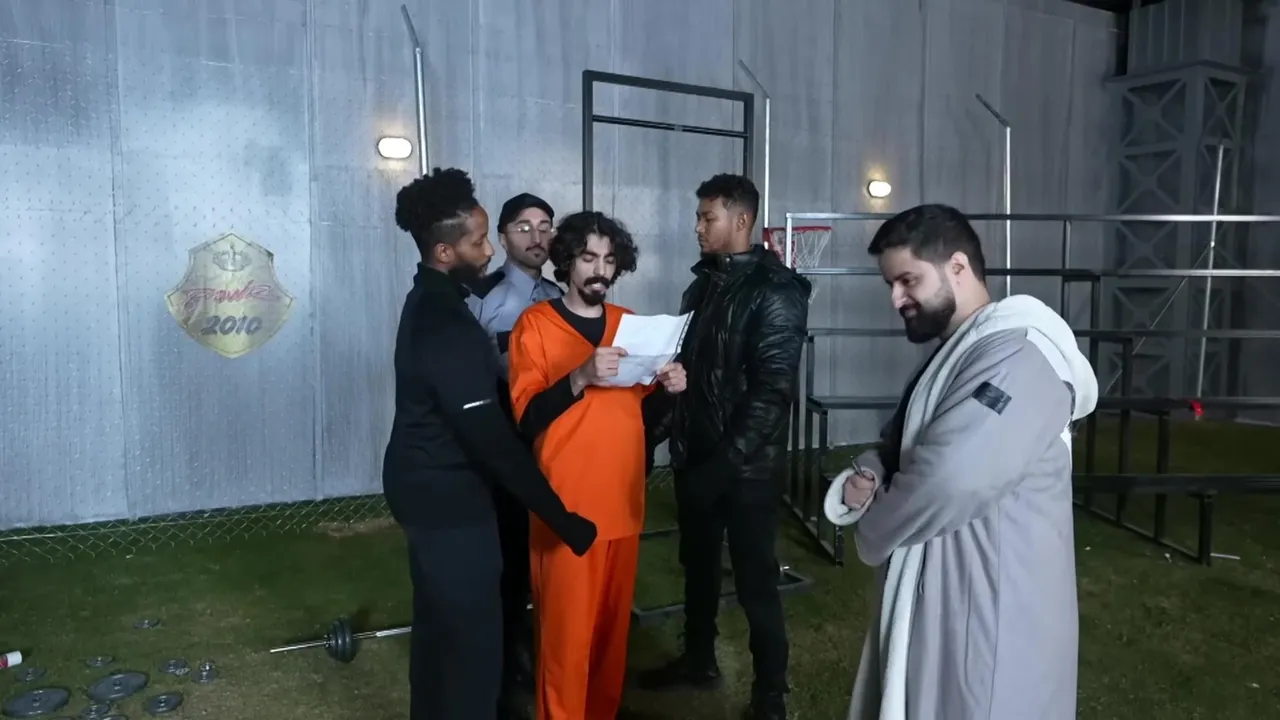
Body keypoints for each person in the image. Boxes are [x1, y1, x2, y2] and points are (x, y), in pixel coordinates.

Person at [822, 204, 1097, 720]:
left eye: (907, 281)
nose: (896, 299)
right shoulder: (960, 353)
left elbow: (950, 478)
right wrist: (868, 473)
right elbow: (901, 445)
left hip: (993, 605)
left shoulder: (1020, 357)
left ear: (957, 267)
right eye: (891, 285)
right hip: (950, 592)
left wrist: (874, 528)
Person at [381, 167, 598, 720]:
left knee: (440, 630)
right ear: (444, 251)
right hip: (447, 498)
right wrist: (564, 520)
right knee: (472, 647)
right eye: (479, 241)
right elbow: (493, 442)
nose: (488, 251)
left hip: (427, 486)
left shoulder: (434, 300)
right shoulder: (447, 324)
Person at [639, 174, 810, 720]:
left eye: (706, 217)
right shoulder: (702, 286)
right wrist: (655, 433)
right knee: (698, 568)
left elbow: (771, 394)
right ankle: (698, 659)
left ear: (741, 221)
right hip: (696, 458)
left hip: (746, 471)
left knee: (756, 580)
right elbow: (687, 376)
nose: (697, 227)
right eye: (698, 216)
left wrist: (723, 466)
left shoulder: (776, 290)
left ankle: (770, 695)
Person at [507, 210, 688, 720]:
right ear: (566, 261)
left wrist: (670, 390)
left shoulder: (630, 325)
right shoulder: (535, 326)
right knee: (565, 644)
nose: (600, 270)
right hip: (566, 509)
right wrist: (580, 376)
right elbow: (527, 419)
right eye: (588, 258)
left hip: (623, 504)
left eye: (609, 260)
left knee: (611, 640)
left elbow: (641, 414)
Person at [465, 192, 564, 709]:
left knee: (548, 555)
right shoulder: (482, 298)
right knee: (505, 560)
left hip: (555, 446)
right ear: (502, 237)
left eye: (545, 226)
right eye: (523, 227)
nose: (536, 236)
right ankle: (504, 669)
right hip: (505, 446)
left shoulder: (559, 295)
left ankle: (542, 653)